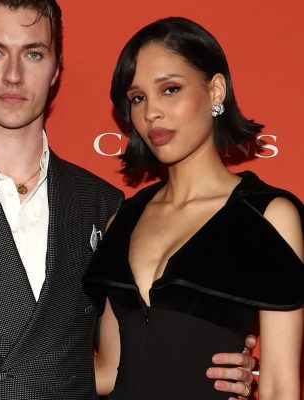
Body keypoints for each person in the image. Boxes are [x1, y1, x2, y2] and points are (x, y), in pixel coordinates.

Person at [0, 2, 256, 399]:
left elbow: (123, 363)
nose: (13, 75)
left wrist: (209, 361)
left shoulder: (102, 203)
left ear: (56, 67)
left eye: (33, 54)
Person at [84, 16, 304, 400]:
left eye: (170, 89)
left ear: (215, 90)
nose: (151, 112)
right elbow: (107, 372)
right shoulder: (123, 220)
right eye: (138, 98)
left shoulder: (267, 216)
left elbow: (279, 386)